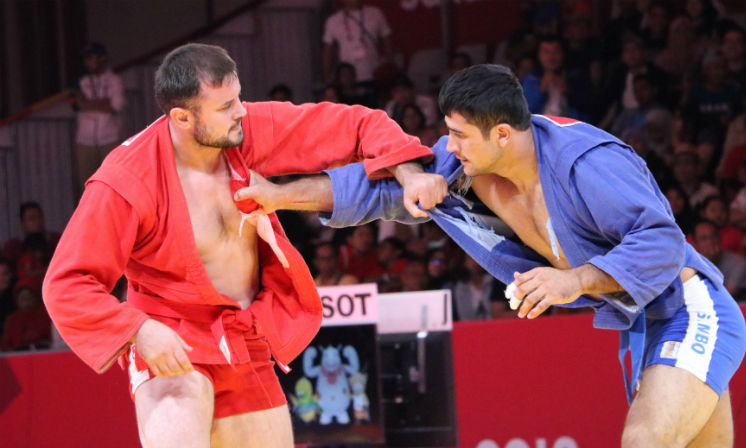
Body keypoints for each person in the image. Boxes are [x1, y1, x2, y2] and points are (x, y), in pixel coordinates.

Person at [237, 64, 746, 447]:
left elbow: (660, 241)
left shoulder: (586, 162)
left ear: (502, 133)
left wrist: (571, 283)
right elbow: (381, 186)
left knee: (643, 442)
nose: (448, 145)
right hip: (642, 320)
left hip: (687, 305)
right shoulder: (468, 167)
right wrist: (280, 196)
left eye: (459, 134)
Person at [42, 43, 437, 448]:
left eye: (238, 98)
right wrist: (137, 330)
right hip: (172, 340)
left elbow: (355, 125)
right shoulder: (125, 182)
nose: (241, 112)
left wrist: (407, 172)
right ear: (182, 117)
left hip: (242, 336)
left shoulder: (244, 131)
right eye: (226, 106)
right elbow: (66, 283)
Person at [73, 42, 125, 195]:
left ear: (102, 58)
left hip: (109, 138)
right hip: (84, 139)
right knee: (86, 184)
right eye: (86, 59)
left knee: (113, 182)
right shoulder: (82, 81)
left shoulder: (114, 80)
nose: (87, 62)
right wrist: (103, 103)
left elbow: (116, 105)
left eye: (91, 58)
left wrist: (88, 103)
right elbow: (76, 105)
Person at [322, 0, 392, 84]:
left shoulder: (376, 13)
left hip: (375, 73)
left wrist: (389, 67)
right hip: (347, 79)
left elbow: (387, 41)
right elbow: (327, 51)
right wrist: (327, 77)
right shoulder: (333, 20)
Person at [1, 201, 60, 266]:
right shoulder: (12, 247)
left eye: (39, 217)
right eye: (31, 219)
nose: (37, 222)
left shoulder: (56, 241)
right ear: (22, 223)